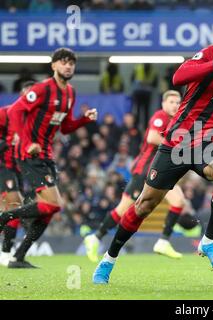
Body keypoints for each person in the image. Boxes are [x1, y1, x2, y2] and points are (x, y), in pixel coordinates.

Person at [93, 18, 213, 284]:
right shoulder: (212, 54)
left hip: (208, 143)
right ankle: (108, 260)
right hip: (177, 143)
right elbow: (179, 76)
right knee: (144, 205)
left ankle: (208, 242)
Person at [0, 48, 98, 268]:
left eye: (72, 63)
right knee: (54, 204)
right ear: (53, 65)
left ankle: (18, 256)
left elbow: (65, 127)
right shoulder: (43, 89)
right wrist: (26, 143)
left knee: (50, 209)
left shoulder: (70, 93)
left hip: (47, 155)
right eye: (63, 62)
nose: (68, 66)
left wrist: (84, 120)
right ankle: (5, 217)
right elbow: (16, 111)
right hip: (29, 154)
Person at [84, 90, 187, 262]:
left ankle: (163, 241)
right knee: (122, 210)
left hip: (161, 170)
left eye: (178, 102)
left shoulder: (177, 122)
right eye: (171, 102)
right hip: (145, 170)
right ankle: (95, 238)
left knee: (178, 201)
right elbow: (153, 138)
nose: (175, 105)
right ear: (163, 104)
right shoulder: (160, 117)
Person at [0, 81, 35, 266]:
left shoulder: (33, 120)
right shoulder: (4, 114)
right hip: (2, 167)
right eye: (28, 94)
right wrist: (8, 142)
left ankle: (8, 253)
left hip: (19, 169)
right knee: (14, 204)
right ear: (21, 95)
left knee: (13, 209)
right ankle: (5, 253)